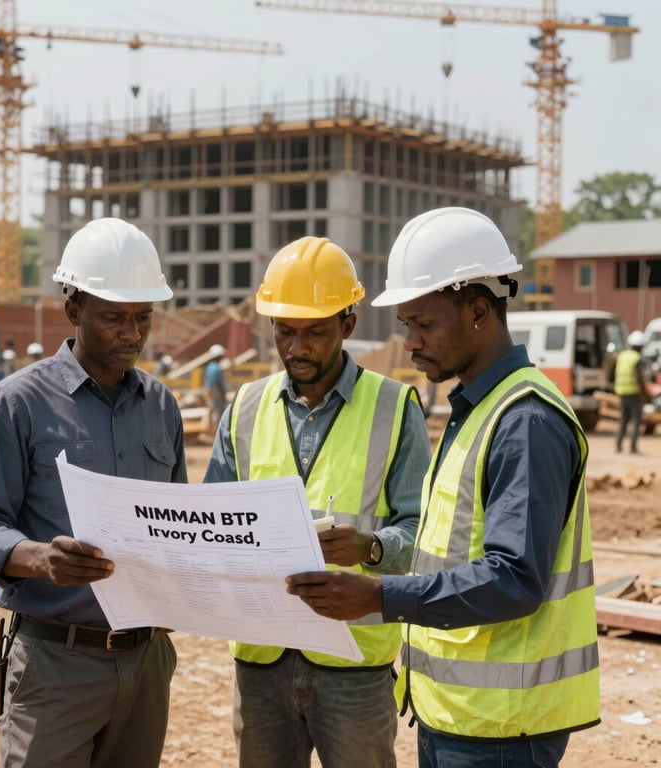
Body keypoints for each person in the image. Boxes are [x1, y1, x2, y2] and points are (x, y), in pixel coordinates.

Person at [286, 208, 600, 768]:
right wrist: (371, 552)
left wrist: (379, 598)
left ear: (479, 311)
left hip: (502, 730)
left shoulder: (523, 421)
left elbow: (515, 578)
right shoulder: (475, 413)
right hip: (460, 715)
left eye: (422, 324)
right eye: (407, 324)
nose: (409, 342)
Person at [0, 217, 187, 768]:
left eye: (142, 318)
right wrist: (42, 558)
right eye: (114, 318)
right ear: (74, 310)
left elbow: (177, 521)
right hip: (56, 662)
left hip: (147, 660)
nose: (131, 332)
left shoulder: (161, 406)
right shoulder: (18, 403)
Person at [204, 235, 432, 768]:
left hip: (353, 665)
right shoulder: (245, 406)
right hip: (261, 660)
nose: (297, 348)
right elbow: (214, 521)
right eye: (285, 332)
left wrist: (368, 547)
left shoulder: (395, 407)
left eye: (314, 333)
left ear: (348, 325)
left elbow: (423, 531)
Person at [614, 330, 650, 454]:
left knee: (623, 419)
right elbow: (639, 377)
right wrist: (645, 393)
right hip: (634, 392)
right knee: (636, 420)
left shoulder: (622, 355)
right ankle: (633, 447)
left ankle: (618, 445)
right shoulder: (637, 358)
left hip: (621, 391)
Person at [204, 343, 228, 438]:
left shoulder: (210, 367)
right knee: (220, 416)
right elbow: (217, 384)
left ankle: (214, 435)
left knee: (215, 415)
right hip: (218, 396)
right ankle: (218, 436)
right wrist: (223, 396)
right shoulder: (216, 368)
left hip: (213, 395)